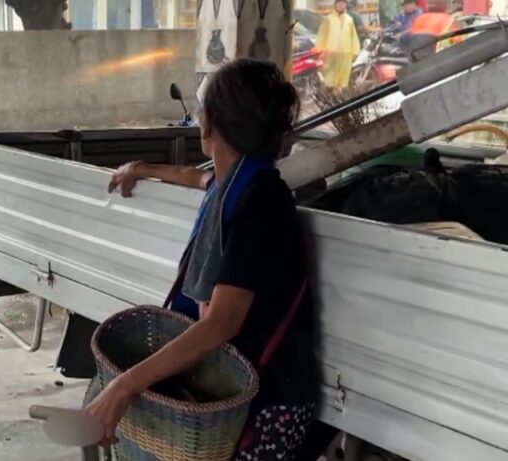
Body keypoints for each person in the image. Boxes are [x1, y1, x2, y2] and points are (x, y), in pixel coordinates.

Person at [87, 60, 320, 461]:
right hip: (235, 390)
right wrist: (142, 169)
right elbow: (196, 177)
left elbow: (221, 323)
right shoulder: (238, 183)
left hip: (267, 405)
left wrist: (125, 385)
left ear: (207, 123)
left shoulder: (259, 204)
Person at [316, 0, 361, 89]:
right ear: (335, 5)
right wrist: (320, 52)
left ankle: (338, 95)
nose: (341, 5)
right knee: (329, 79)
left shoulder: (349, 20)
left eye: (343, 3)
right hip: (331, 54)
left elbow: (353, 36)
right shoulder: (328, 19)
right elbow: (322, 36)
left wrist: (355, 52)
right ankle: (328, 94)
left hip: (345, 54)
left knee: (342, 81)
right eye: (339, 3)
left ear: (346, 5)